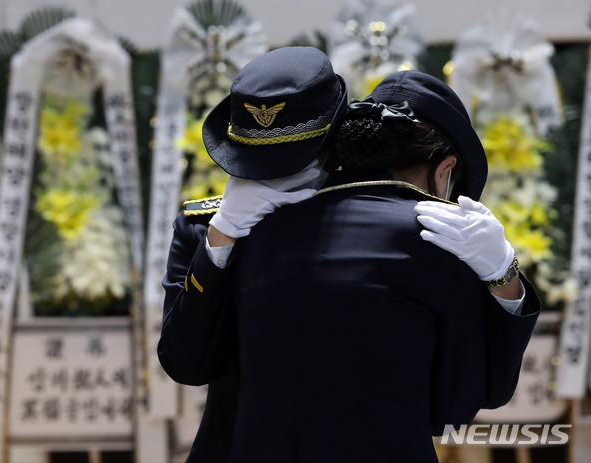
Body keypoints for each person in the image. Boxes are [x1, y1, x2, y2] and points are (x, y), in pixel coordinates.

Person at [161, 68, 541, 461]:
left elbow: (188, 365)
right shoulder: (441, 242)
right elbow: (455, 407)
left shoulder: (230, 229)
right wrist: (503, 273)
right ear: (445, 172)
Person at [160, 46, 348, 462]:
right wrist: (222, 238)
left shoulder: (370, 223)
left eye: (289, 161)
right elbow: (186, 362)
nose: (272, 174)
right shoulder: (202, 228)